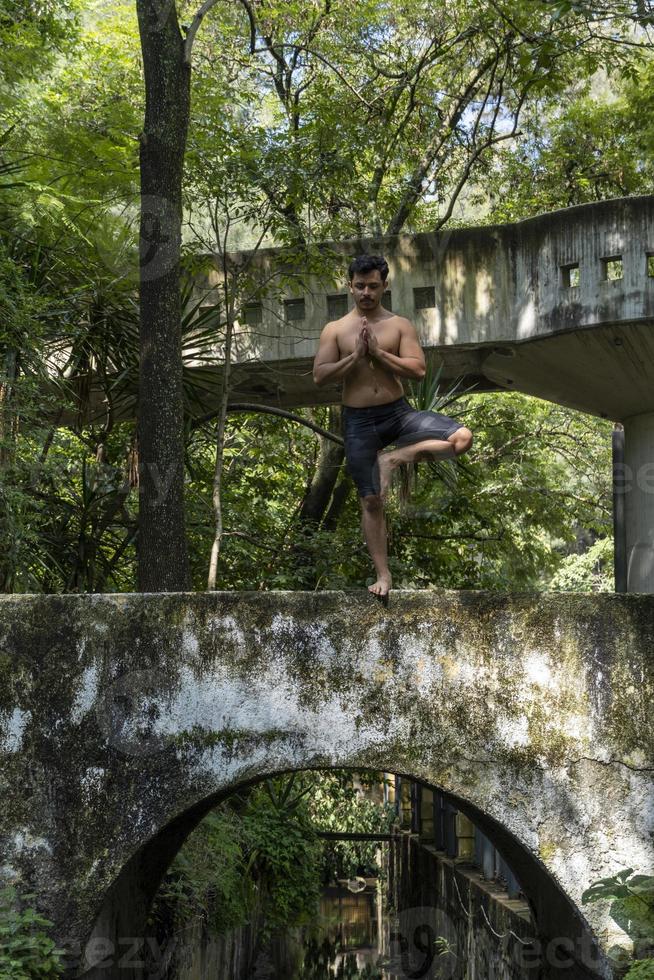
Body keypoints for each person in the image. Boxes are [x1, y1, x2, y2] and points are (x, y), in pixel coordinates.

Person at [313, 254, 473, 599]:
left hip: (397, 414)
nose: (366, 292)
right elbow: (319, 375)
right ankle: (383, 575)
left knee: (462, 438)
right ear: (349, 286)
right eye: (360, 286)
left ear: (385, 285)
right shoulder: (335, 330)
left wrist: (378, 354)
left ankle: (394, 459)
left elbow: (418, 370)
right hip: (358, 422)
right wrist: (355, 357)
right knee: (371, 500)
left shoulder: (400, 325)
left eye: (373, 286)